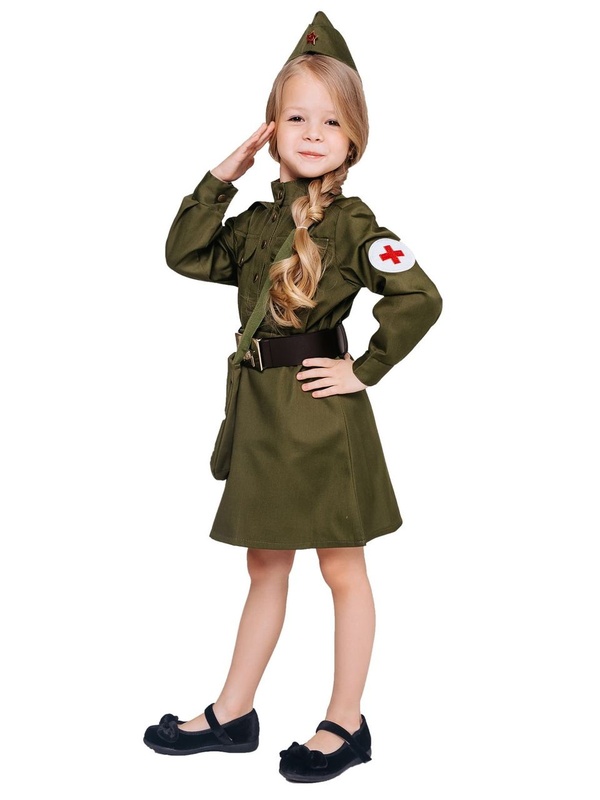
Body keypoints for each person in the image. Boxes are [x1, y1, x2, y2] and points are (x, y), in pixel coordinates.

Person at [143, 11, 442, 783]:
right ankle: (233, 713)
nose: (313, 132)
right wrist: (222, 175)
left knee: (342, 569)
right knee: (265, 566)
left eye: (332, 120)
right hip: (262, 416)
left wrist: (365, 369)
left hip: (321, 419)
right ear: (272, 129)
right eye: (297, 117)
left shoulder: (353, 224)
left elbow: (420, 296)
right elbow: (185, 254)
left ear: (354, 137)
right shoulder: (256, 222)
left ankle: (346, 722)